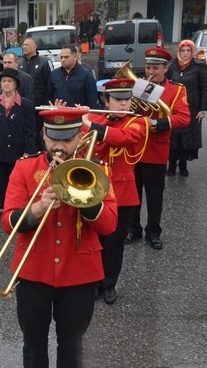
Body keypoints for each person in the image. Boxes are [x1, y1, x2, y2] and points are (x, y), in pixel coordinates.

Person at [3, 108, 117, 368]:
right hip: (33, 273)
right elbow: (8, 222)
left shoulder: (98, 171)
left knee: (72, 349)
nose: (59, 146)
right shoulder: (25, 167)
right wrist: (38, 208)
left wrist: (85, 200)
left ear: (81, 137)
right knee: (33, 346)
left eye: (67, 139)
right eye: (54, 138)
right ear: (44, 135)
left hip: (79, 275)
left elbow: (109, 225)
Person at [80, 78, 148, 305]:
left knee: (114, 244)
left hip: (121, 194)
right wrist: (72, 114)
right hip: (93, 190)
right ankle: (93, 282)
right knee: (93, 240)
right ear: (105, 100)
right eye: (118, 100)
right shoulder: (94, 118)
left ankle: (109, 284)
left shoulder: (137, 122)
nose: (124, 104)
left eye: (127, 99)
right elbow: (78, 142)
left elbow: (124, 139)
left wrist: (91, 125)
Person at [127, 48, 190, 250]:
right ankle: (133, 228)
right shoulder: (139, 86)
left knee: (155, 195)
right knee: (133, 193)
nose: (150, 71)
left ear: (165, 68)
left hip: (156, 149)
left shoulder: (176, 90)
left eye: (155, 67)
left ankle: (153, 232)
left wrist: (156, 123)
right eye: (148, 67)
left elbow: (183, 117)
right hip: (134, 149)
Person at [0, 69, 36, 216]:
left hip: (18, 148)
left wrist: (29, 150)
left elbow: (31, 130)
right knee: (1, 179)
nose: (6, 84)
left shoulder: (25, 104)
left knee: (18, 178)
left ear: (16, 84)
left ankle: (18, 204)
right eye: (4, 81)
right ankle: (3, 204)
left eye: (9, 81)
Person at [166, 40, 207, 176]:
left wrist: (203, 109)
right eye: (183, 50)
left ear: (192, 52)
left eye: (188, 51)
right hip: (173, 108)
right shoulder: (172, 66)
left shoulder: (199, 67)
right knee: (173, 137)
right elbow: (165, 85)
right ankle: (172, 164)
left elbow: (204, 89)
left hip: (192, 109)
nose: (185, 54)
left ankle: (183, 165)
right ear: (179, 51)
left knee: (187, 139)